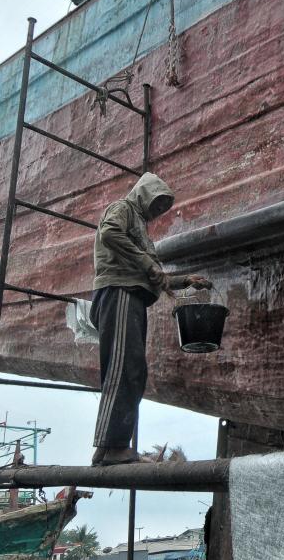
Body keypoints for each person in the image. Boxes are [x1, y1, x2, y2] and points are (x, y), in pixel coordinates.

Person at [90, 172, 211, 466]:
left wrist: (185, 282)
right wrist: (147, 262)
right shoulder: (124, 209)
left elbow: (155, 277)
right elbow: (109, 234)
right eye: (156, 204)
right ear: (144, 193)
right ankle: (110, 447)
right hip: (118, 293)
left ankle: (113, 447)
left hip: (133, 298)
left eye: (162, 208)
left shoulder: (141, 229)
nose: (157, 212)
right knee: (123, 370)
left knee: (134, 371)